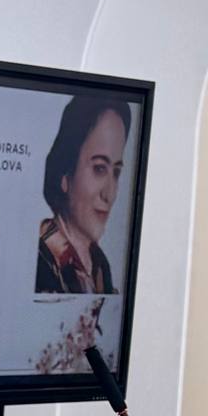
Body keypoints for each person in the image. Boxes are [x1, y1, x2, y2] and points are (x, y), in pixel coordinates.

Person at [36, 93, 129, 294]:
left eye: (116, 172)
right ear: (65, 175)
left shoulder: (100, 266)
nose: (109, 194)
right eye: (99, 168)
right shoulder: (40, 260)